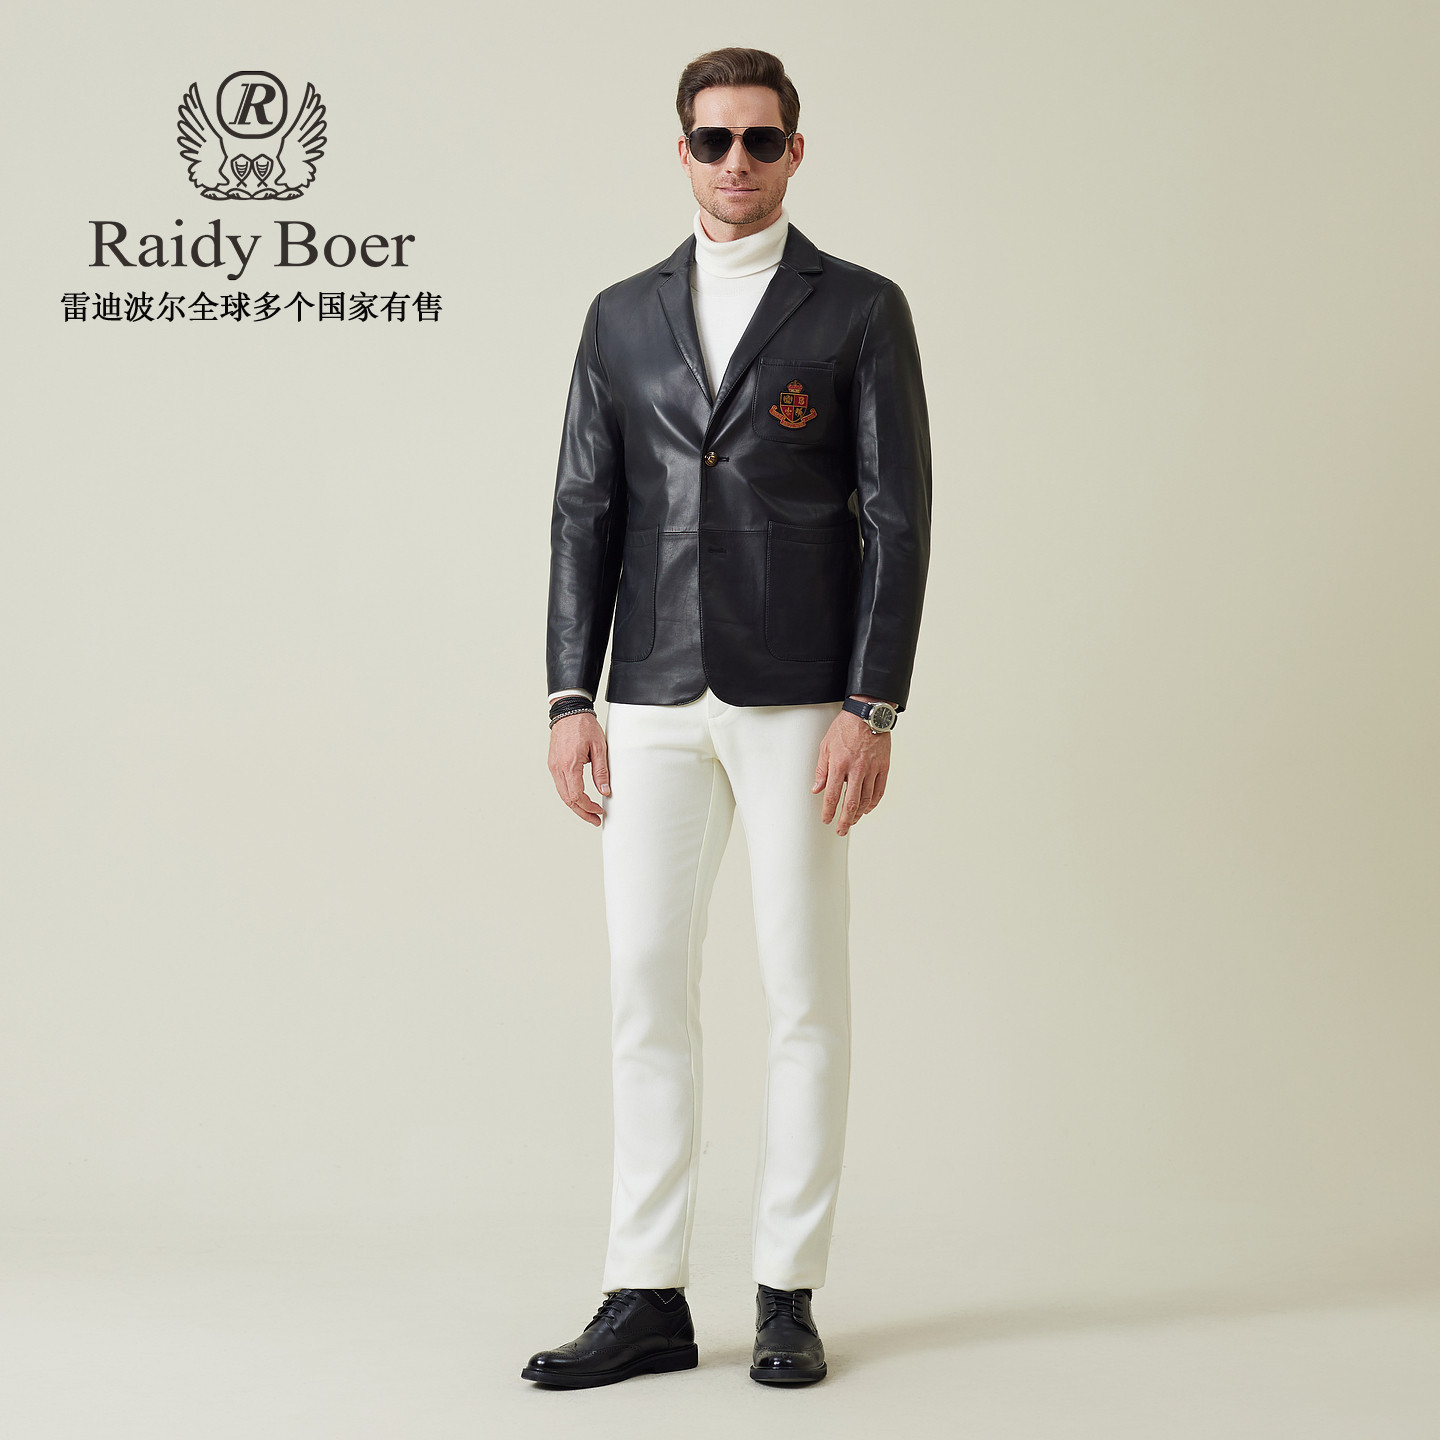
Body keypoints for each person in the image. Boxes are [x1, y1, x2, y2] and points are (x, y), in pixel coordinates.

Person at [524, 46, 931, 1389]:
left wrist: (872, 702)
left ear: (796, 151)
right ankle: (645, 1294)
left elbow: (898, 519)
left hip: (803, 695)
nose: (737, 161)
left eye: (761, 139)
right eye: (714, 140)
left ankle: (785, 1291)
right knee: (646, 985)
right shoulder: (619, 317)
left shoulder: (858, 309)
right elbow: (585, 511)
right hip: (649, 692)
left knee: (804, 990)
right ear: (685, 151)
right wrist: (569, 693)